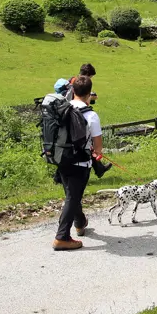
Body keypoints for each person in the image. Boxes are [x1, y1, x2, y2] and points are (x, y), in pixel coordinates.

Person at [53, 75, 102, 251]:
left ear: (72, 91)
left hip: (61, 158)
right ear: (89, 93)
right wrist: (97, 154)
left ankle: (80, 223)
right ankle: (62, 237)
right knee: (73, 197)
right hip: (80, 163)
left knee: (72, 194)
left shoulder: (61, 109)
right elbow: (98, 147)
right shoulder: (91, 115)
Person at [65, 64, 109, 178]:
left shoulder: (74, 81)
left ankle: (99, 169)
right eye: (92, 77)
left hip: (70, 113)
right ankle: (98, 169)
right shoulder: (79, 83)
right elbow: (98, 144)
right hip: (77, 115)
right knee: (82, 144)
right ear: (88, 75)